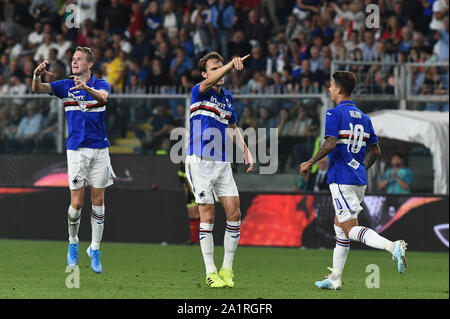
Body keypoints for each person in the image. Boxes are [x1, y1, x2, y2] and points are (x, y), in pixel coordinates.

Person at [299, 71, 407, 290]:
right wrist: (360, 168)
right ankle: (335, 279)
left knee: (349, 229)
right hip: (358, 180)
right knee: (340, 228)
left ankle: (392, 246)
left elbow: (330, 142)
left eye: (331, 86)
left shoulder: (334, 114)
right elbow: (375, 150)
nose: (329, 89)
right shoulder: (365, 118)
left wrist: (310, 162)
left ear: (339, 89)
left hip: (341, 179)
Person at [31, 46, 115, 274]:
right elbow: (37, 89)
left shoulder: (101, 84)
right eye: (73, 59)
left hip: (100, 150)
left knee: (98, 202)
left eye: (79, 59)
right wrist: (36, 75)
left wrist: (86, 87)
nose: (74, 62)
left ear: (90, 64)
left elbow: (104, 99)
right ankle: (73, 242)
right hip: (77, 150)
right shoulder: (65, 85)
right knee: (77, 204)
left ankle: (95, 249)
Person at [185, 51, 253, 288]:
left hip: (222, 162)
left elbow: (232, 125)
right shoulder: (198, 91)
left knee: (235, 214)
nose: (219, 71)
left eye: (220, 67)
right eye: (214, 68)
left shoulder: (227, 98)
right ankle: (210, 271)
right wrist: (230, 67)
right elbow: (210, 81)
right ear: (205, 74)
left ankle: (226, 268)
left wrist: (245, 149)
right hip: (199, 161)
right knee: (209, 216)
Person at [178, 163, 200, 245]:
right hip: (190, 193)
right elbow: (181, 177)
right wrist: (185, 187)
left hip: (198, 191)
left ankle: (201, 239)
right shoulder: (183, 165)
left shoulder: (197, 161)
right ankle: (194, 239)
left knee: (198, 215)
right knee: (191, 215)